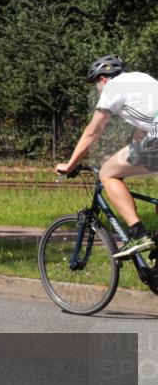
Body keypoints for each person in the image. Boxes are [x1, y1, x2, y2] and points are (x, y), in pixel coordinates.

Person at [55, 55, 158, 259]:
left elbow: (93, 132)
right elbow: (141, 132)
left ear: (103, 78)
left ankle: (137, 233)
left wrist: (70, 164)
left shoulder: (113, 87)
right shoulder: (143, 79)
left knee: (107, 173)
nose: (97, 89)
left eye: (95, 83)